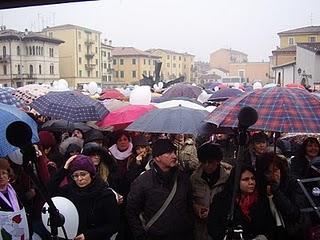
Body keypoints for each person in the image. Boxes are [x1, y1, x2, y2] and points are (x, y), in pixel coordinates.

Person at [126, 139, 194, 240]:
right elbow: (131, 211)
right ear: (157, 157)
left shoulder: (183, 178)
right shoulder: (143, 182)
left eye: (174, 152)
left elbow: (189, 205)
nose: (174, 156)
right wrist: (140, 235)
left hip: (182, 235)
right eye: (169, 153)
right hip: (155, 235)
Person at [48, 155, 120, 240]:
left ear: (91, 174)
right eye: (75, 175)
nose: (79, 178)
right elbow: (49, 191)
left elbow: (114, 225)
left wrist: (88, 235)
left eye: (83, 174)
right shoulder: (70, 190)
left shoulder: (105, 194)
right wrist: (64, 169)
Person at [207, 165, 275, 240]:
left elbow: (269, 225)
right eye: (246, 179)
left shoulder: (261, 200)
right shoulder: (222, 200)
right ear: (236, 181)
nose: (251, 182)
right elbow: (212, 225)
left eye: (253, 178)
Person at [257, 152, 303, 240]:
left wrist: (277, 193)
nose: (273, 175)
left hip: (290, 232)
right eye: (268, 172)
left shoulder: (291, 185)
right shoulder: (259, 188)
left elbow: (294, 213)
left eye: (276, 170)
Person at [190, 142, 231, 240]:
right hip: (200, 229)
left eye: (211, 162)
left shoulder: (227, 179)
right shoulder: (194, 179)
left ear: (218, 161)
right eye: (204, 162)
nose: (207, 165)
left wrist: (214, 212)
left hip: (220, 228)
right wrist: (196, 207)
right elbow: (189, 200)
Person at [0, 158, 30, 239]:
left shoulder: (15, 190)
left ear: (9, 176)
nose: (1, 176)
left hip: (20, 229)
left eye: (4, 173)